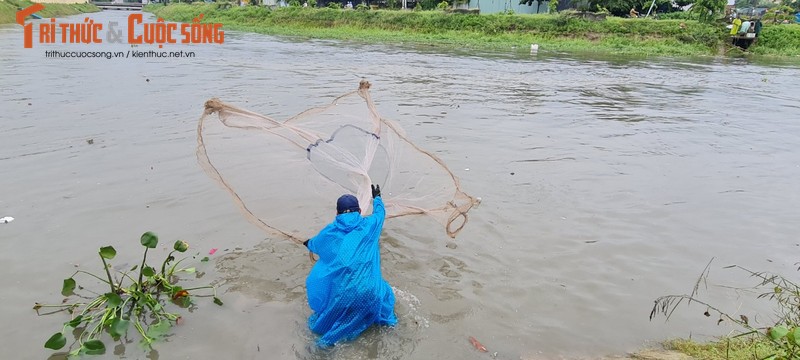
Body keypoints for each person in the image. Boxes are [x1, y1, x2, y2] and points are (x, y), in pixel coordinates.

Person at [303, 185, 397, 346]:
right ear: (359, 211)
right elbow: (380, 214)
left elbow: (315, 245)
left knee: (325, 328)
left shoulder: (329, 232)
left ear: (337, 213)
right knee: (385, 291)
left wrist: (308, 243)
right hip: (371, 293)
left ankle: (323, 347)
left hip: (344, 298)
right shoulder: (370, 225)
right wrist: (377, 198)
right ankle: (387, 324)